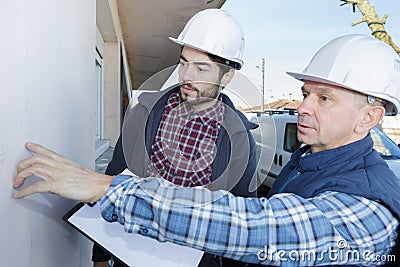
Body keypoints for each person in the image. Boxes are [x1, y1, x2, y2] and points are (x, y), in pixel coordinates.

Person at [14, 34, 400, 266]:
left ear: (369, 117)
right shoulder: (307, 161)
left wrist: (106, 189)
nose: (302, 107)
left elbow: (252, 225)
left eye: (324, 98)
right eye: (304, 94)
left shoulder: (367, 210)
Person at [95, 8, 258, 267]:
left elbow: (241, 221)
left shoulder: (240, 140)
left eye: (202, 68)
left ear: (226, 77)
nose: (187, 76)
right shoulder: (143, 114)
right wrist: (100, 256)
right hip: (129, 251)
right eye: (184, 63)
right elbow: (111, 182)